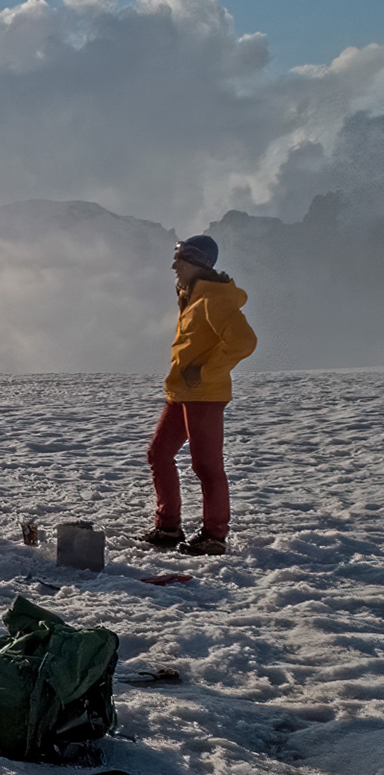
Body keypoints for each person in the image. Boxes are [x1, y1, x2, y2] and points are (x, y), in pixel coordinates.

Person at [138, 235, 257, 556]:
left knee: (206, 466)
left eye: (181, 260)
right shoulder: (193, 296)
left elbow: (244, 342)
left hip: (204, 394)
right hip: (181, 392)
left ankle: (214, 536)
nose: (174, 265)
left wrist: (205, 372)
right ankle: (168, 527)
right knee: (159, 455)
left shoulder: (214, 299)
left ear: (198, 263)